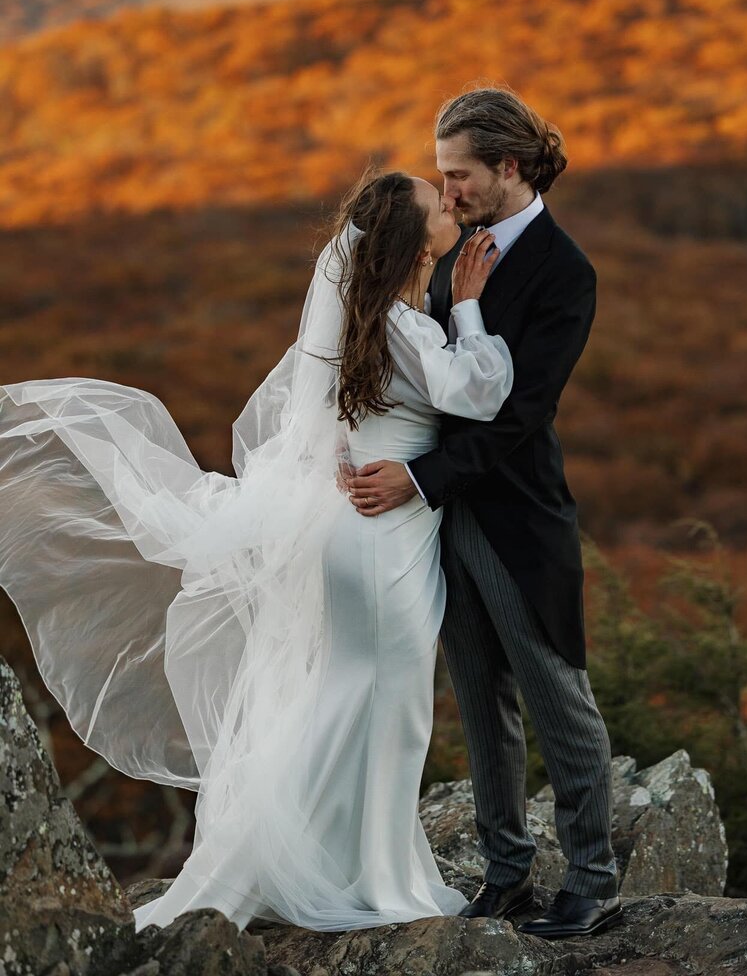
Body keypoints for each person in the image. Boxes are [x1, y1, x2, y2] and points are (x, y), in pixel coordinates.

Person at [0, 168, 514, 932]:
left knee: (354, 700)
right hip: (379, 541)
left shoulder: (375, 321)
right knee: (384, 706)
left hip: (361, 532)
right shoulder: (408, 327)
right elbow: (481, 391)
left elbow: (333, 424)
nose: (452, 206)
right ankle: (355, 877)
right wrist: (469, 308)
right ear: (412, 241)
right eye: (437, 204)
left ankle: (343, 866)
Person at [346, 88, 623, 939]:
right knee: (478, 697)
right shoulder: (448, 253)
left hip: (513, 518)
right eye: (441, 177)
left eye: (459, 175)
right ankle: (506, 873)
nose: (449, 191)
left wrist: (421, 478)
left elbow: (520, 414)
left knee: (554, 693)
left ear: (509, 168)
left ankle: (593, 875)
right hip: (437, 525)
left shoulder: (564, 271)